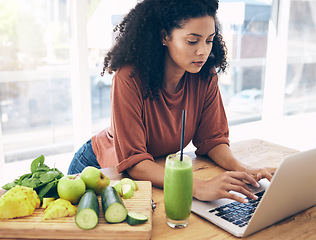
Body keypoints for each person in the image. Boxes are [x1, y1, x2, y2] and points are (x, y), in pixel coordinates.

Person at [68, 0, 276, 203]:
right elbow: (136, 163)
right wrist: (196, 186)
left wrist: (245, 169)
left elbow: (212, 140)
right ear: (164, 36)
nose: (203, 51)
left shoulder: (204, 75)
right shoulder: (128, 78)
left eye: (209, 40)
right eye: (192, 41)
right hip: (98, 168)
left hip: (155, 167)